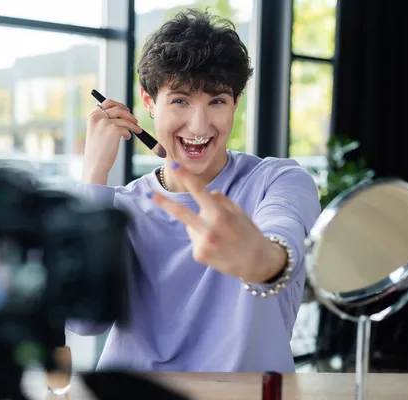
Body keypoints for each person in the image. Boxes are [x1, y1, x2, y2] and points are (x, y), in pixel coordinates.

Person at [67, 8, 321, 373]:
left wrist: (262, 261)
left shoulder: (278, 180)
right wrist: (93, 175)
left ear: (236, 101)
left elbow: (282, 236)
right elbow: (83, 323)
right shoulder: (120, 207)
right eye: (180, 100)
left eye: (216, 100)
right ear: (150, 102)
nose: (199, 125)